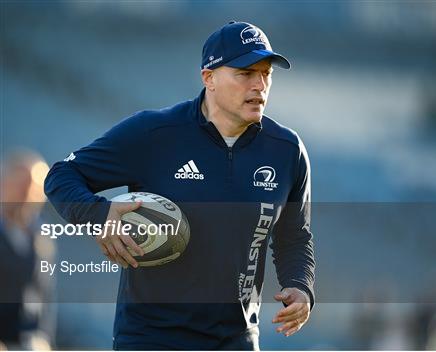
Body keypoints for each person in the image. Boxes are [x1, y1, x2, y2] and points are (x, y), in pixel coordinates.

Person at [45, 21, 315, 350]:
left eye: (266, 74)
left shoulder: (286, 150)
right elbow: (61, 175)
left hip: (236, 339)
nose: (260, 84)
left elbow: (294, 238)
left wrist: (300, 286)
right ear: (209, 77)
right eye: (245, 73)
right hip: (151, 337)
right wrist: (99, 214)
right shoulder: (153, 134)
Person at [1, 150, 56, 350]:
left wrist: (46, 339)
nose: (27, 194)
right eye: (21, 186)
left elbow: (44, 296)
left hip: (29, 342)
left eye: (34, 188)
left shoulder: (42, 237)